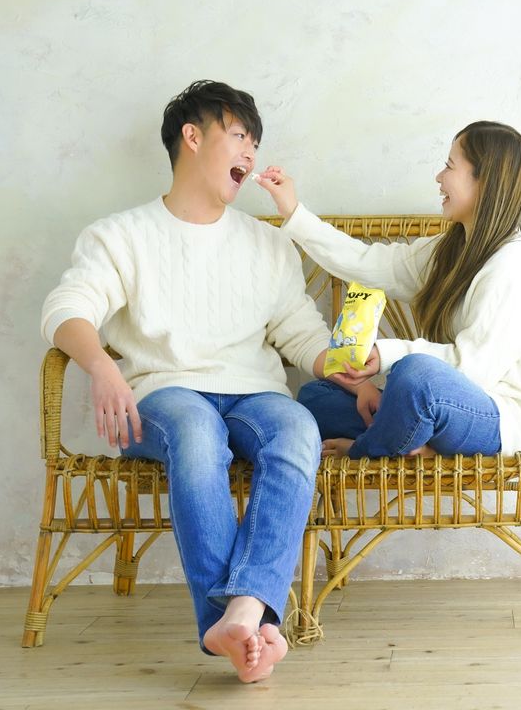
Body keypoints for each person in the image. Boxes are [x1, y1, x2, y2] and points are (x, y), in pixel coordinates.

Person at [39, 80, 332, 683]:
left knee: (298, 428)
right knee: (198, 431)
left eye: (255, 142)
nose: (250, 152)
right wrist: (101, 367)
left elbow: (302, 336)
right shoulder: (120, 235)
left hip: (253, 394)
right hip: (163, 397)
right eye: (239, 135)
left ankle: (242, 614)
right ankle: (238, 623)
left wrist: (350, 372)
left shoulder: (267, 244)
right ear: (192, 137)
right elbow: (66, 309)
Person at [255, 121, 521, 459]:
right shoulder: (449, 251)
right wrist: (293, 211)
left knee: (414, 375)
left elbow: (474, 372)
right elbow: (366, 262)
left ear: (483, 182)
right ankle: (416, 444)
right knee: (317, 398)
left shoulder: (512, 266)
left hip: (497, 420)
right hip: (437, 408)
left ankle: (365, 450)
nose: (439, 177)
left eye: (449, 166)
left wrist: (387, 355)